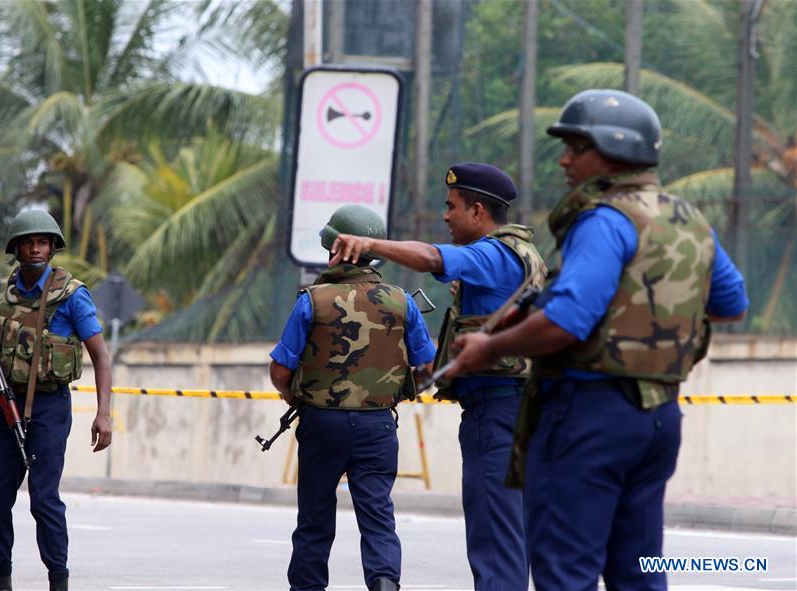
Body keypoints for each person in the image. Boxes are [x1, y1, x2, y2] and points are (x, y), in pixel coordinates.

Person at [446, 90, 749, 590]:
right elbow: (730, 304)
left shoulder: (606, 220)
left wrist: (489, 347)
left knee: (567, 572)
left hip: (589, 415)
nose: (564, 159)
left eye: (576, 147)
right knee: (638, 571)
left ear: (614, 150)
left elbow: (566, 322)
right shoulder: (688, 219)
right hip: (658, 416)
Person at [331, 163, 546, 591]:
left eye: (451, 207)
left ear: (478, 210)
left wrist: (370, 243)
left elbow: (432, 258)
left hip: (497, 410)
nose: (445, 216)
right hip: (522, 407)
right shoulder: (522, 254)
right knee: (513, 533)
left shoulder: (492, 254)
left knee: (494, 537)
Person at [269, 205, 436, 591]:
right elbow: (427, 366)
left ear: (333, 249)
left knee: (314, 516)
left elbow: (280, 370)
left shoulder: (312, 300)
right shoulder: (401, 301)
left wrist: (293, 395)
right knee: (377, 513)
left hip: (321, 423)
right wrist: (400, 390)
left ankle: (308, 586)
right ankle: (383, 580)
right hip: (377, 426)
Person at [0, 210, 113, 591]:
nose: (35, 249)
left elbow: (100, 354)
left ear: (52, 247)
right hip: (6, 402)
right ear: (16, 248)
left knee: (44, 500)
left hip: (49, 407)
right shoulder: (4, 290)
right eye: (28, 242)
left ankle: (58, 582)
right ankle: (1, 580)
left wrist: (103, 415)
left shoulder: (72, 295)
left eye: (43, 242)